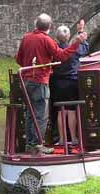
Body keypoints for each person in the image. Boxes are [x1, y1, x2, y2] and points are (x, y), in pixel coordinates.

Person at [15, 14, 87, 155]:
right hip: (40, 81)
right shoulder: (46, 40)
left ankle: (30, 144)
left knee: (30, 114)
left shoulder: (26, 38)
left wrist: (29, 67)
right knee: (41, 115)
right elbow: (61, 56)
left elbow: (19, 59)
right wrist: (77, 42)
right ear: (49, 27)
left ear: (36, 24)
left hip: (26, 82)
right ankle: (37, 145)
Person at [50, 22, 89, 149]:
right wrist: (80, 31)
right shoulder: (74, 48)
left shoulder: (54, 50)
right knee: (71, 110)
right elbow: (84, 47)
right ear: (68, 37)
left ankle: (61, 139)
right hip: (72, 82)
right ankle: (73, 138)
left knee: (60, 111)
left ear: (56, 37)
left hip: (57, 83)